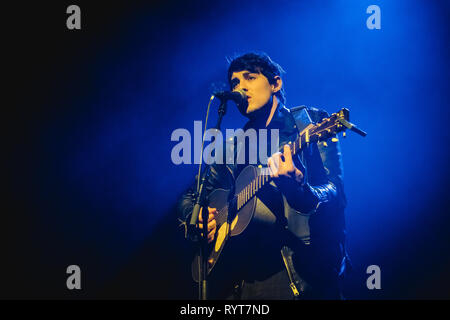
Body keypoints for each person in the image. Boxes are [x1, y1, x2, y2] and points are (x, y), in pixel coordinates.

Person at [177, 52, 350, 299]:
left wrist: (302, 190)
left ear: (275, 83)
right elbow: (190, 197)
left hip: (299, 275)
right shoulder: (232, 146)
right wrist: (198, 215)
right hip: (241, 279)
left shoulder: (309, 123)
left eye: (249, 77)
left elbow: (335, 194)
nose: (240, 87)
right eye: (235, 83)